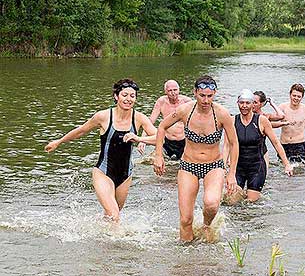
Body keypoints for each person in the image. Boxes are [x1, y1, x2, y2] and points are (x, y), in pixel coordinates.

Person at [44, 78, 157, 222]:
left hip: (125, 175)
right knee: (114, 215)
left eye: (132, 96)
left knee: (112, 215)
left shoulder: (139, 118)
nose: (128, 99)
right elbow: (81, 131)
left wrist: (140, 139)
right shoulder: (103, 116)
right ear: (116, 96)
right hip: (103, 172)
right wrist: (58, 142)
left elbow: (159, 138)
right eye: (124, 95)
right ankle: (117, 243)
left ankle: (101, 240)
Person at [153, 75, 239, 242]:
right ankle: (186, 258)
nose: (206, 100)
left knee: (212, 203)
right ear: (195, 93)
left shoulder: (222, 114)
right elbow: (162, 126)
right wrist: (158, 155)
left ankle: (206, 225)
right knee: (186, 219)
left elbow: (234, 143)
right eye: (202, 95)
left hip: (213, 165)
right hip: (188, 165)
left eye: (209, 96)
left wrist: (232, 173)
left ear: (214, 94)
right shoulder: (185, 110)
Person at [223, 89, 293, 202]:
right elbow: (227, 145)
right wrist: (223, 167)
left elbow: (275, 142)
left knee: (250, 203)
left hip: (257, 166)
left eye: (247, 103)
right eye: (241, 103)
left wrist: (286, 164)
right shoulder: (232, 121)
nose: (244, 106)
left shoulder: (262, 121)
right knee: (231, 200)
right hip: (237, 167)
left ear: (252, 104)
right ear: (237, 103)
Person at [138, 80, 191, 159]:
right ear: (165, 91)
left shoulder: (187, 102)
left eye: (175, 90)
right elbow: (150, 121)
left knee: (183, 165)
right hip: (166, 141)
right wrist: (142, 140)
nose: (173, 93)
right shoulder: (161, 102)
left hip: (183, 141)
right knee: (153, 160)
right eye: (170, 90)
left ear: (179, 90)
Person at [278, 83, 305, 162]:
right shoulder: (282, 107)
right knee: (282, 169)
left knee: (300, 171)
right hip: (284, 144)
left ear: (302, 97)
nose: (296, 98)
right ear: (290, 95)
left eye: (299, 96)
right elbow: (272, 122)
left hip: (299, 144)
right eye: (294, 95)